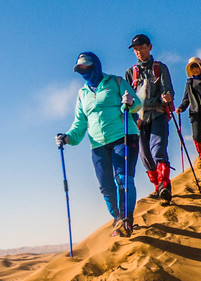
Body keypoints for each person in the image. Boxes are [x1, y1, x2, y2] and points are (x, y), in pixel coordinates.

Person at [57, 51, 141, 236]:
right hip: (98, 144)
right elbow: (79, 124)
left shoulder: (115, 82)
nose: (85, 70)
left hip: (124, 136)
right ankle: (118, 218)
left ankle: (126, 220)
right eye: (81, 68)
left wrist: (128, 103)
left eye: (88, 66)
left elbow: (136, 104)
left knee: (123, 179)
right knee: (106, 186)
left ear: (96, 65)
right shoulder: (82, 94)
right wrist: (67, 137)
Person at [127, 34, 175, 202]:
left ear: (150, 47)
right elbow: (126, 98)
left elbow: (168, 88)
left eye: (142, 48)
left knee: (158, 149)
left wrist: (167, 96)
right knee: (145, 156)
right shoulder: (130, 73)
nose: (139, 52)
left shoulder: (160, 68)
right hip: (138, 120)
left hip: (158, 113)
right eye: (136, 49)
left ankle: (164, 185)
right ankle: (157, 187)